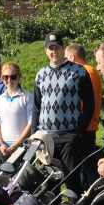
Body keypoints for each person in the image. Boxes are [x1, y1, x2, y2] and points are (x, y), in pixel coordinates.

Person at [33, 32, 95, 195]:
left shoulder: (79, 72)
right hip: (45, 135)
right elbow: (37, 106)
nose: (54, 52)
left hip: (69, 134)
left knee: (72, 179)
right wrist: (34, 133)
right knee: (48, 182)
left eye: (57, 48)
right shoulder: (41, 74)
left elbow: (90, 103)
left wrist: (80, 130)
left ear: (63, 48)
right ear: (46, 51)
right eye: (50, 48)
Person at [67, 43, 103, 188]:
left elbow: (87, 100)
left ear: (72, 57)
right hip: (86, 124)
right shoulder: (88, 70)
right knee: (82, 165)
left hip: (86, 125)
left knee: (87, 166)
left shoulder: (87, 72)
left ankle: (91, 195)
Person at [0, 62, 34, 156]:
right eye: (5, 77)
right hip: (4, 148)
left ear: (19, 77)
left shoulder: (28, 97)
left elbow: (31, 123)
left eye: (13, 77)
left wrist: (17, 144)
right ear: (2, 78)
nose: (9, 80)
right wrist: (1, 144)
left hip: (23, 146)